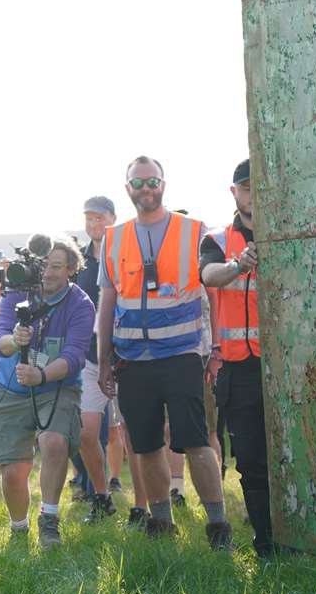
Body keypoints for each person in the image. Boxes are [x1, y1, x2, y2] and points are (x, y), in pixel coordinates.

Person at [96, 157, 233, 549]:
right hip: (132, 360)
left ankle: (218, 526)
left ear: (163, 184)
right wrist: (103, 357)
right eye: (138, 183)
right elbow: (108, 301)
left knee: (196, 441)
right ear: (127, 189)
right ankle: (161, 522)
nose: (146, 189)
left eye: (152, 181)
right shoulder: (114, 237)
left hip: (181, 355)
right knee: (146, 444)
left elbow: (212, 293)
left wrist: (216, 346)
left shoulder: (194, 231)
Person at [0, 238, 94, 547]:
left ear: (72, 269)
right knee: (14, 471)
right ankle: (18, 528)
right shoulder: (16, 290)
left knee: (54, 441)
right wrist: (14, 341)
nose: (48, 272)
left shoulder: (81, 304)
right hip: (10, 386)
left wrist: (42, 374)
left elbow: (74, 356)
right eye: (43, 265)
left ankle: (49, 520)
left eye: (57, 266)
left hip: (56, 385)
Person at [200, 159, 273, 557]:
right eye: (246, 188)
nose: (252, 194)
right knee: (251, 459)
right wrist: (237, 265)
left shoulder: (287, 231)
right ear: (235, 193)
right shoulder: (215, 238)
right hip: (240, 369)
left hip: (284, 367)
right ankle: (266, 544)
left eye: (258, 186)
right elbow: (208, 275)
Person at [70, 196, 122, 523]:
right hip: (89, 357)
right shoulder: (80, 261)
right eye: (89, 219)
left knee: (128, 435)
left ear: (113, 218)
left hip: (127, 355)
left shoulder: (126, 251)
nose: (94, 225)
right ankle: (99, 498)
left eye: (99, 218)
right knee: (87, 434)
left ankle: (147, 509)